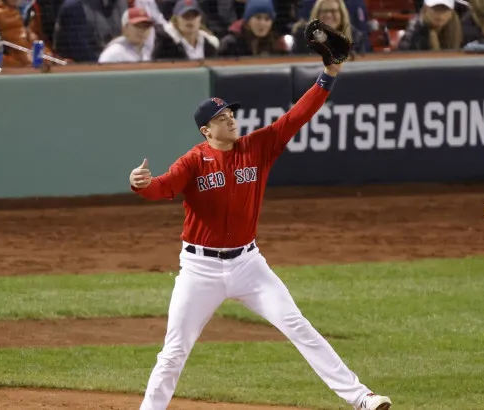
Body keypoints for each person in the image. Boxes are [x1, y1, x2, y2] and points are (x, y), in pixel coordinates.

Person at [128, 30, 392, 410]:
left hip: (248, 264)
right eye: (221, 118)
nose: (231, 120)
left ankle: (361, 397)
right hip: (199, 269)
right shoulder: (193, 161)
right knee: (174, 351)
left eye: (231, 114)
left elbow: (297, 116)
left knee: (298, 326)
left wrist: (329, 74)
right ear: (206, 130)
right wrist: (141, 184)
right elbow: (163, 188)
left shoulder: (257, 147)